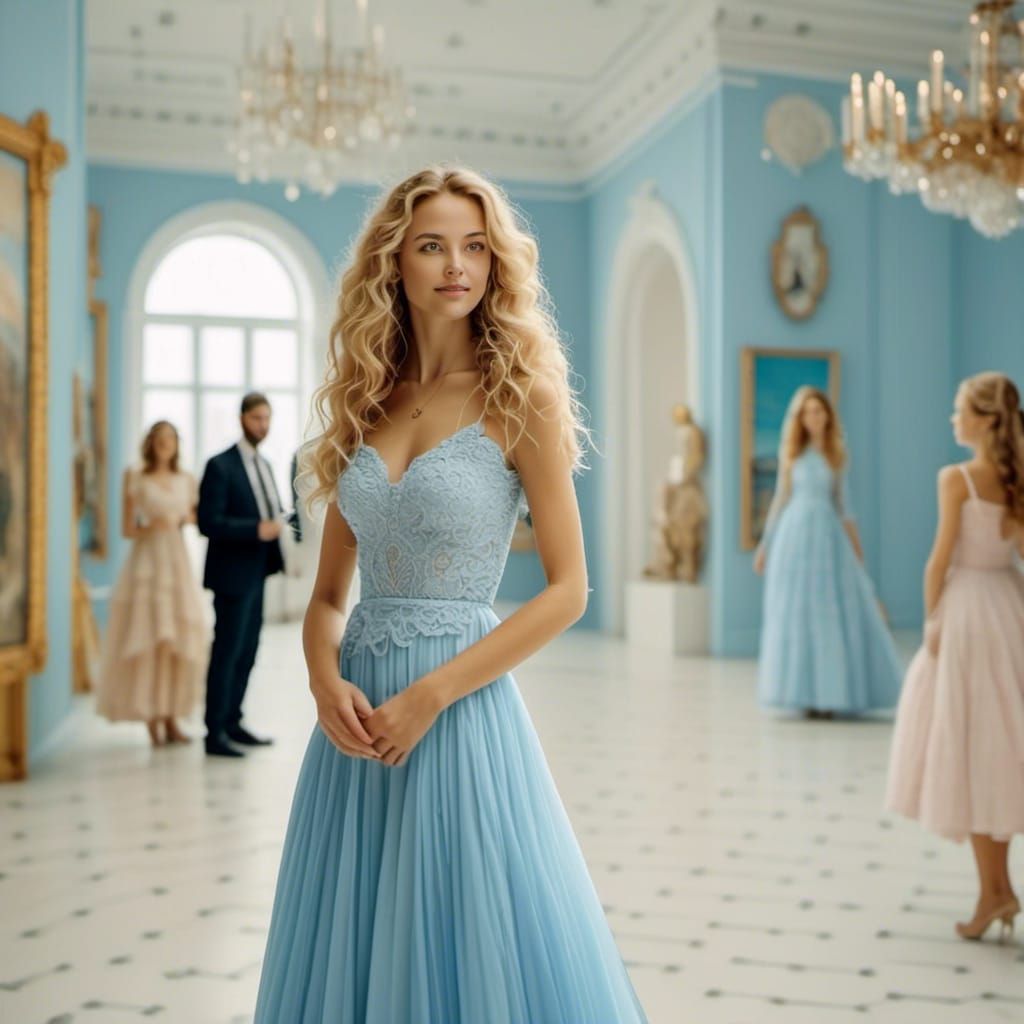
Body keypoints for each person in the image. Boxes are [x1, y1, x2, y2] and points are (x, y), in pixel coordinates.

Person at [253, 166, 647, 1022]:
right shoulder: (364, 401)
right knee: (355, 931)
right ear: (395, 262)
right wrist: (324, 683)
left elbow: (569, 589)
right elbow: (327, 595)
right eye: (432, 245)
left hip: (457, 706)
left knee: (461, 930)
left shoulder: (521, 397)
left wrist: (432, 694)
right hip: (355, 717)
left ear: (496, 263)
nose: (455, 265)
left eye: (474, 246)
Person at [886, 372, 1024, 942]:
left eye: (960, 410)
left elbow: (937, 561)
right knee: (1001, 751)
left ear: (986, 419)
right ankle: (998, 890)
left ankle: (996, 892)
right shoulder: (1015, 480)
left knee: (971, 750)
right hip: (1009, 608)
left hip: (967, 615)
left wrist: (932, 622)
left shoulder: (958, 478)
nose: (952, 419)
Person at [754, 386, 902, 717]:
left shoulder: (837, 455)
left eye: (819, 411)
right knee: (796, 613)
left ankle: (831, 694)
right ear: (800, 418)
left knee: (828, 614)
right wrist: (765, 545)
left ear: (827, 416)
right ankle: (802, 694)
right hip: (794, 537)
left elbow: (845, 507)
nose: (813, 417)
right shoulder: (791, 454)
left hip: (827, 538)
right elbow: (779, 501)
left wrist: (857, 552)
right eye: (807, 412)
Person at [95, 421, 208, 746]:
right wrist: (153, 526)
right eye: (160, 439)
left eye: (171, 439)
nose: (165, 445)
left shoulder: (187, 479)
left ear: (176, 444)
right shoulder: (135, 477)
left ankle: (173, 717)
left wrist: (182, 520)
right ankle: (152, 720)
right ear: (151, 443)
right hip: (146, 562)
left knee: (177, 638)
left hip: (176, 561)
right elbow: (127, 530)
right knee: (148, 634)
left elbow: (194, 516)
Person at [197, 393, 284, 758]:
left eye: (267, 418)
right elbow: (208, 523)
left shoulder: (264, 464)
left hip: (259, 571)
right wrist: (255, 530)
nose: (262, 425)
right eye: (256, 418)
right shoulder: (220, 466)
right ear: (242, 418)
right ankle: (214, 732)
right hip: (232, 575)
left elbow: (270, 510)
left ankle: (233, 721)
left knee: (248, 651)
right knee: (227, 652)